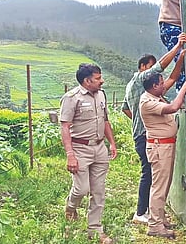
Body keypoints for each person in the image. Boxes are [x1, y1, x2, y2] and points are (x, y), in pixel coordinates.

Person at [121, 32, 186, 224]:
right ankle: (141, 213)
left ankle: (152, 212)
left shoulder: (148, 90)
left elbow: (125, 108)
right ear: (142, 68)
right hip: (148, 137)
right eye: (150, 68)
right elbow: (161, 67)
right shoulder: (139, 81)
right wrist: (177, 46)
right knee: (149, 175)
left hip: (145, 133)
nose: (154, 72)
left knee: (154, 176)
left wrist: (181, 59)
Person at [59, 63, 118, 244]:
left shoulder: (101, 95)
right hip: (80, 149)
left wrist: (112, 143)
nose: (102, 81)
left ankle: (95, 230)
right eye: (98, 78)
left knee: (98, 191)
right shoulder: (71, 98)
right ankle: (70, 207)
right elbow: (65, 127)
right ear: (87, 80)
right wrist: (70, 154)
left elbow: (105, 120)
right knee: (81, 189)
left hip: (99, 148)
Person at [140, 73, 186, 238]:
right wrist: (184, 88)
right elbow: (172, 108)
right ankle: (155, 225)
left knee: (165, 184)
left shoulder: (157, 96)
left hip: (165, 145)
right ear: (154, 86)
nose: (164, 86)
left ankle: (160, 218)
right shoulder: (147, 102)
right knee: (159, 187)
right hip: (159, 147)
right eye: (162, 83)